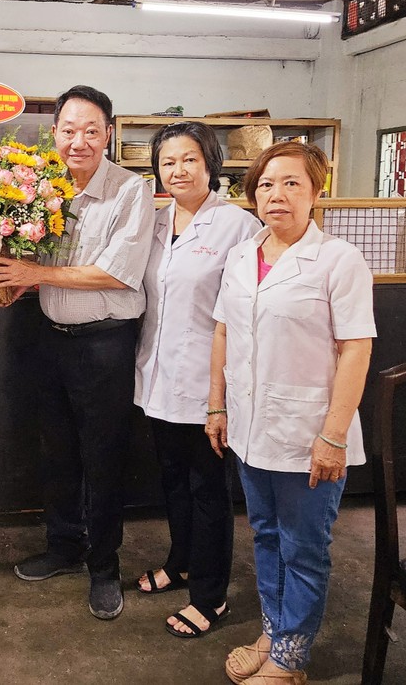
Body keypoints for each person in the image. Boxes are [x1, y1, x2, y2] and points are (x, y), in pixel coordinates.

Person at [0, 85, 156, 620]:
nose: (78, 141)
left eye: (90, 130)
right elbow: (39, 261)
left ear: (109, 134)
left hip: (105, 343)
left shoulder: (132, 191)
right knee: (56, 451)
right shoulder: (42, 188)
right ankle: (63, 547)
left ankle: (104, 568)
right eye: (68, 130)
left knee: (102, 456)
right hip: (50, 338)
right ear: (54, 133)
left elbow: (116, 272)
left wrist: (37, 273)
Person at [206, 142, 375, 684]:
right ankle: (275, 631)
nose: (276, 195)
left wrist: (334, 435)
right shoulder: (241, 255)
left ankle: (290, 661)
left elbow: (356, 347)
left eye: (291, 184)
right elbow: (224, 331)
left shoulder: (338, 259)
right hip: (251, 429)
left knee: (304, 547)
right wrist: (216, 406)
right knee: (266, 536)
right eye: (265, 185)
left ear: (315, 192)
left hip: (310, 433)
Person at [134, 122, 261, 638]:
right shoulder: (155, 223)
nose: (178, 170)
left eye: (189, 159)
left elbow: (244, 313)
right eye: (168, 161)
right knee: (172, 481)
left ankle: (210, 597)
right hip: (157, 379)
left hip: (210, 385)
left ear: (211, 162)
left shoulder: (237, 226)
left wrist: (223, 398)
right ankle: (181, 562)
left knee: (209, 490)